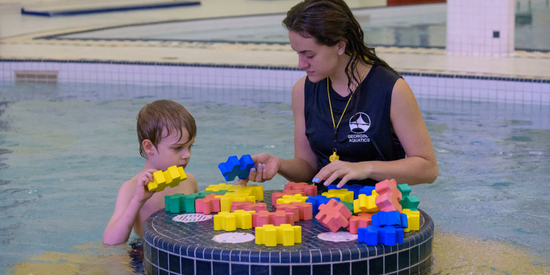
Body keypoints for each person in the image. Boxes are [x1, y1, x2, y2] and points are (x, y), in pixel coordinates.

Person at [244, 0, 438, 191]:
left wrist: (364, 168)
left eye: (309, 55)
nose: (301, 64)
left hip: (378, 214)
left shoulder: (391, 89)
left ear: (340, 46)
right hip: (322, 211)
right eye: (297, 53)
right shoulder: (303, 91)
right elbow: (309, 168)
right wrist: (279, 164)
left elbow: (428, 169)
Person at [103, 100, 199, 245]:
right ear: (149, 147)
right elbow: (110, 242)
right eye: (178, 148)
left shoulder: (189, 181)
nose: (187, 155)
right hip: (145, 256)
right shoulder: (131, 189)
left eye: (190, 146)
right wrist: (138, 201)